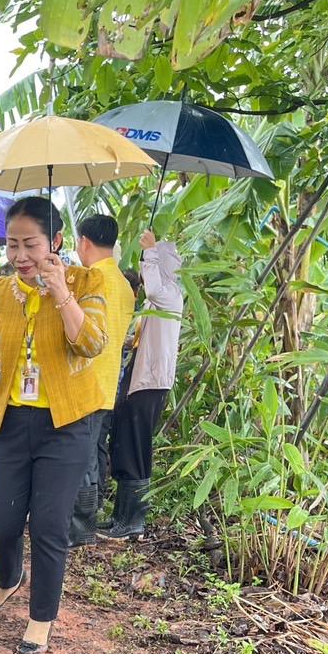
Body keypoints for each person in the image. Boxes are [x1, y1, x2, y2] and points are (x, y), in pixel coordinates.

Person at [0, 195, 110, 654]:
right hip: (11, 420)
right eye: (12, 245)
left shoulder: (86, 281)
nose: (19, 256)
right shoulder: (1, 292)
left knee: (49, 524)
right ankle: (10, 577)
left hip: (65, 423)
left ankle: (41, 618)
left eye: (30, 244)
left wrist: (61, 293)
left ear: (56, 241)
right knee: (3, 520)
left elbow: (91, 343)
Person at [101, 231, 183, 539]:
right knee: (125, 445)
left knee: (134, 449)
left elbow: (154, 283)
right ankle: (121, 516)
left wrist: (150, 249)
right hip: (141, 381)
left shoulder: (168, 294)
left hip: (149, 383)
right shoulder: (159, 299)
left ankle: (132, 521)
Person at [65, 214, 136, 547]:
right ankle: (86, 521)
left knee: (81, 456)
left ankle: (80, 527)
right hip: (109, 383)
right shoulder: (123, 283)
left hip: (85, 379)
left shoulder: (91, 278)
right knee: (94, 451)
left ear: (84, 242)